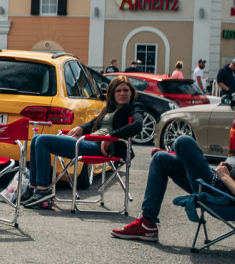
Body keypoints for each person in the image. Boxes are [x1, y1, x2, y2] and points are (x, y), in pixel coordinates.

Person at [112, 103, 235, 243]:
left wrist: (225, 177)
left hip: (218, 192)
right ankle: (147, 224)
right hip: (219, 184)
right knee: (161, 159)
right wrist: (229, 172)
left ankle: (177, 156)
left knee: (184, 141)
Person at [21, 75, 145, 210]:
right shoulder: (109, 108)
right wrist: (81, 128)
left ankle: (42, 192)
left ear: (131, 92)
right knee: (36, 139)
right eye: (118, 91)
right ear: (112, 94)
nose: (122, 94)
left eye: (126, 90)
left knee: (42, 140)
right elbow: (92, 123)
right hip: (88, 142)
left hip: (100, 148)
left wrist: (111, 135)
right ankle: (33, 189)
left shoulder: (134, 107)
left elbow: (137, 125)